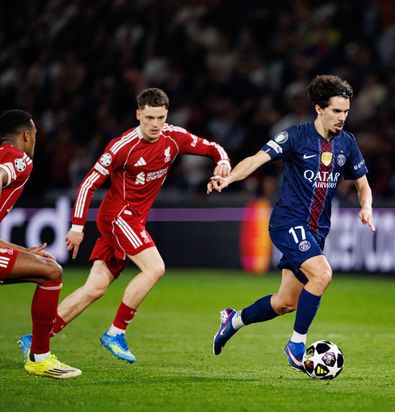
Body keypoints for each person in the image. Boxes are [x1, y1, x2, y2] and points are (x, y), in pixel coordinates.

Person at [18, 88, 231, 363]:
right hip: (118, 216)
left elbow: (212, 147)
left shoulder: (174, 137)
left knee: (94, 288)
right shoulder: (122, 146)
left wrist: (222, 162)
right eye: (150, 117)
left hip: (133, 219)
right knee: (155, 268)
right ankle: (116, 332)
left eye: (161, 117)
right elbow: (88, 184)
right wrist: (77, 226)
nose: (155, 124)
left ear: (167, 115)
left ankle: (36, 339)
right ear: (138, 114)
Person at [209, 75, 375, 370]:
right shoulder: (295, 137)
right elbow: (257, 159)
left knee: (286, 302)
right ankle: (296, 344)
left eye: (346, 111)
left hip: (317, 230)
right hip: (288, 222)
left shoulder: (347, 143)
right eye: (336, 111)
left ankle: (233, 320)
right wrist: (229, 179)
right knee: (322, 274)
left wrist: (366, 208)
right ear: (319, 109)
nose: (342, 117)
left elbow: (363, 184)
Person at [0, 110, 81, 379]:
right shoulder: (19, 158)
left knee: (45, 267)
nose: (35, 140)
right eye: (35, 135)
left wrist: (22, 252)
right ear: (26, 135)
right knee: (52, 272)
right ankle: (40, 358)